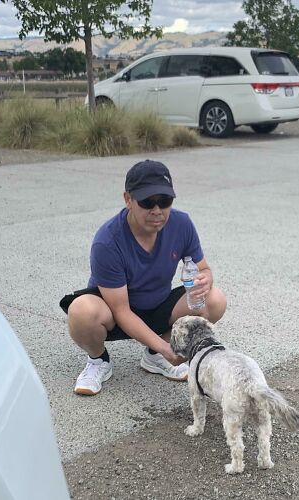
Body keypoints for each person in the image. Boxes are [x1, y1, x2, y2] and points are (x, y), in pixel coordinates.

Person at [60, 160, 227, 396]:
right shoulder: (107, 241)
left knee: (214, 299)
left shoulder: (182, 224)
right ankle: (98, 361)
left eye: (165, 201)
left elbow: (204, 269)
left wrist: (205, 280)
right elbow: (122, 311)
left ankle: (154, 358)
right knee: (81, 311)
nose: (157, 210)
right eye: (147, 202)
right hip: (115, 313)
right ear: (128, 199)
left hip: (158, 306)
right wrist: (166, 348)